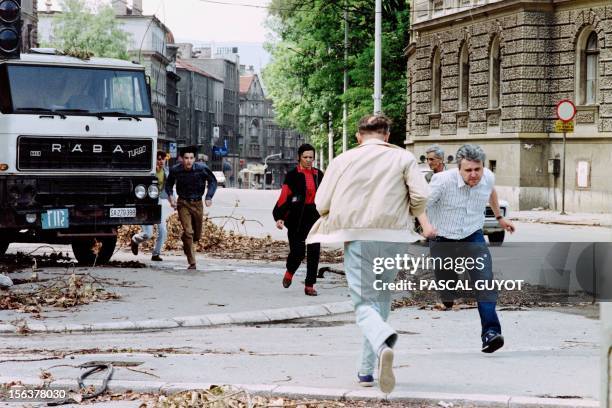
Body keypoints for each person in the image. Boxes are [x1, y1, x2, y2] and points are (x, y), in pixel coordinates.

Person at [306, 115, 432, 393]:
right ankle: (366, 369)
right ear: (387, 136)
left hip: (359, 236)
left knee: (364, 303)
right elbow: (422, 196)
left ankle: (383, 339)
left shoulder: (343, 160)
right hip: (394, 237)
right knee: (382, 298)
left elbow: (321, 202)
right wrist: (405, 212)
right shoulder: (404, 158)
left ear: (358, 136)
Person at [425, 144, 515, 353]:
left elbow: (491, 191)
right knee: (447, 284)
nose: (474, 175)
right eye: (468, 170)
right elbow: (421, 205)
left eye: (478, 169)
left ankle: (491, 333)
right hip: (443, 239)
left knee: (485, 283)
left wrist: (500, 218)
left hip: (473, 237)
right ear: (459, 168)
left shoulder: (488, 177)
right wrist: (425, 226)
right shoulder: (442, 182)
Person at [273, 144, 324, 296]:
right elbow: (284, 197)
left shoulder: (319, 175)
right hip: (297, 218)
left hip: (314, 217)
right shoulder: (292, 175)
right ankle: (289, 272)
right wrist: (280, 217)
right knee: (298, 252)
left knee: (314, 252)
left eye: (311, 157)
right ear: (299, 157)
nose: (309, 160)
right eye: (305, 157)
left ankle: (310, 285)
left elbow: (327, 196)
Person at [165, 146, 217, 270]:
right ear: (181, 159)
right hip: (183, 203)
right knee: (188, 232)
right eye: (186, 158)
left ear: (195, 159)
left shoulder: (202, 169)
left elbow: (213, 181)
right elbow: (168, 184)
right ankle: (192, 262)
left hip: (197, 203)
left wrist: (209, 196)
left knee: (197, 236)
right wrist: (171, 196)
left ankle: (186, 241)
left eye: (191, 158)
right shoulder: (175, 170)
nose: (189, 161)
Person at [131, 151, 170, 261]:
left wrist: (173, 200)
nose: (160, 161)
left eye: (163, 159)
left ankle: (156, 254)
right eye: (158, 159)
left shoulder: (166, 172)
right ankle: (135, 239)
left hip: (157, 201)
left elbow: (168, 188)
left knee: (163, 230)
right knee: (148, 234)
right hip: (145, 203)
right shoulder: (149, 172)